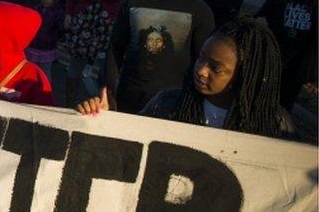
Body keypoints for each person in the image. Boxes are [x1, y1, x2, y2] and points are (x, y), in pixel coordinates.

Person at [77, 19, 300, 141]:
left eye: (216, 68)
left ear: (246, 75)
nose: (201, 71)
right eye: (201, 58)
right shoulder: (166, 104)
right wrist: (108, 121)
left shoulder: (277, 124)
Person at [106, 0, 216, 114]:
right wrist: (107, 87)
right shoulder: (133, 3)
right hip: (130, 95)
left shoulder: (198, 9)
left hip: (175, 98)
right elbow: (115, 48)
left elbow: (203, 57)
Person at [62, 0, 139, 105]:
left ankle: (103, 102)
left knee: (105, 66)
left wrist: (124, 14)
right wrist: (68, 14)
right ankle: (69, 102)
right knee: (76, 64)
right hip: (83, 23)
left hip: (107, 25)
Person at [255, 0, 317, 111]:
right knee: (263, 94)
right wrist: (261, 21)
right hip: (275, 52)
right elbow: (261, 15)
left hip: (299, 59)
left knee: (285, 102)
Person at [26, 0, 65, 85]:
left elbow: (60, 29)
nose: (45, 0)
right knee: (32, 69)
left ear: (55, 0)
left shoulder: (58, 13)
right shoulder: (36, 9)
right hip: (34, 45)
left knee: (45, 72)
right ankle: (31, 89)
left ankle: (45, 90)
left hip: (47, 47)